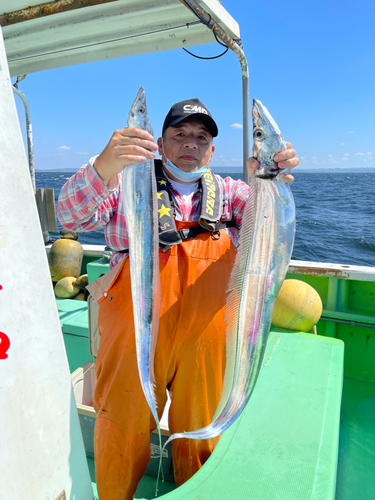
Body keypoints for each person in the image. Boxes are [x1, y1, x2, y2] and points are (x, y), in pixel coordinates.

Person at [57, 98, 299, 500]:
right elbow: (70, 219)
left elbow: (269, 233)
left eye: (201, 137)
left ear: (212, 150)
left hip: (205, 337)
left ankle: (195, 490)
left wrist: (269, 180)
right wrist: (104, 166)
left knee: (202, 429)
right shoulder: (127, 185)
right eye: (180, 134)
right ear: (159, 142)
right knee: (121, 423)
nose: (191, 143)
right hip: (135, 329)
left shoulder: (233, 194)